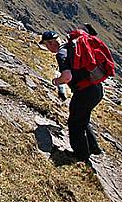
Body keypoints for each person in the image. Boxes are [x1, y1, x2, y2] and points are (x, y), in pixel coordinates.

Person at [39, 30, 104, 161]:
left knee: (75, 123)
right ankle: (93, 147)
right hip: (96, 89)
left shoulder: (61, 54)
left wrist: (56, 81)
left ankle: (81, 155)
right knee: (82, 118)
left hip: (84, 92)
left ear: (51, 43)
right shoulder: (71, 47)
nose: (47, 47)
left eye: (46, 45)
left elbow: (67, 77)